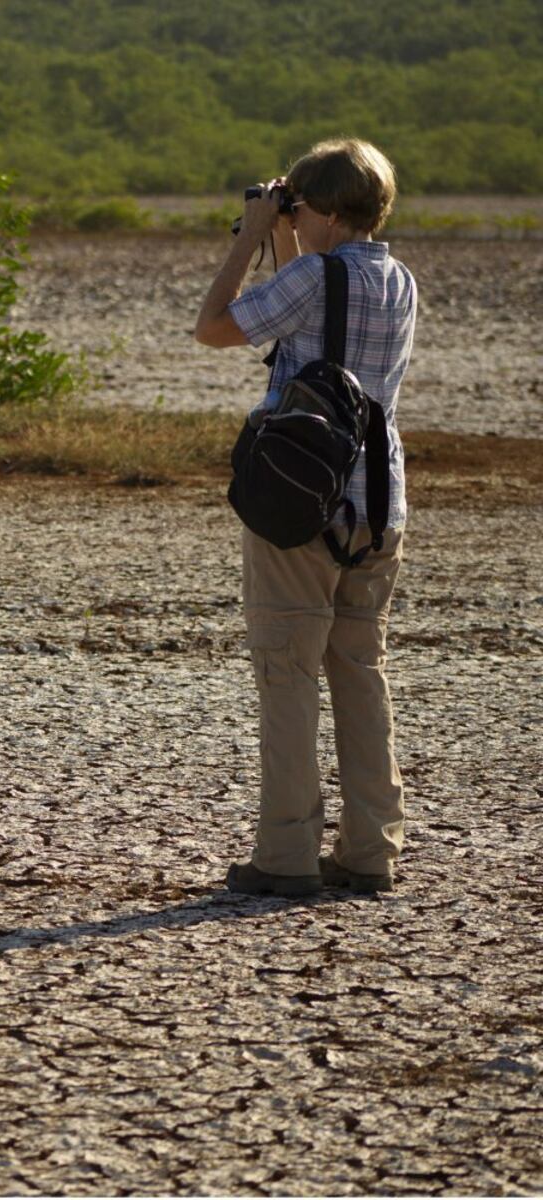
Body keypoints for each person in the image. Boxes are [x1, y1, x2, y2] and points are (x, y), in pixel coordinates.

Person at [193, 137, 417, 897]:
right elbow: (315, 302)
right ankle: (370, 852)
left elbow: (215, 326)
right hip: (379, 502)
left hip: (299, 498)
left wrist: (254, 233)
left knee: (286, 672)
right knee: (359, 670)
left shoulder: (312, 274)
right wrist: (288, 235)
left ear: (320, 210)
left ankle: (285, 857)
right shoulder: (400, 280)